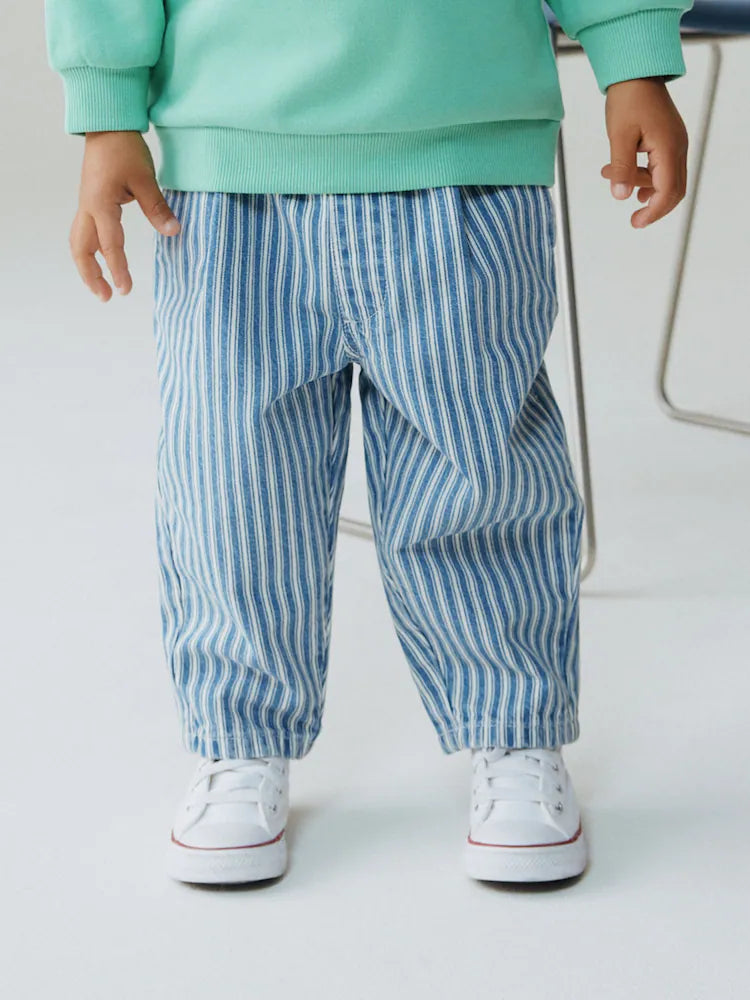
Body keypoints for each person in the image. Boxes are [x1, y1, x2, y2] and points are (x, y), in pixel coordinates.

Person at [44, 0, 692, 885]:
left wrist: (632, 52)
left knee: (480, 472)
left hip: (463, 141)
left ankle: (515, 728)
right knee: (232, 484)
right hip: (230, 160)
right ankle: (238, 740)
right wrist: (106, 112)